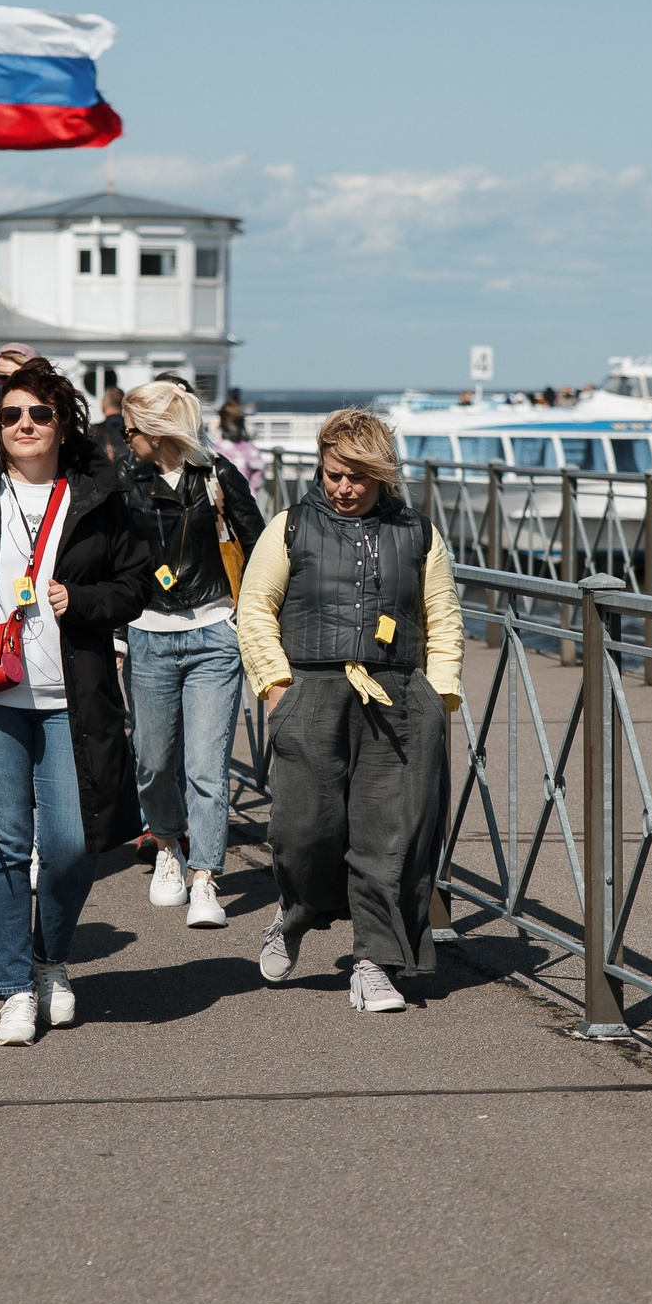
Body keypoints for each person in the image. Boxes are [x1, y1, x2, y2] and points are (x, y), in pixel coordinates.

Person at [0, 358, 150, 1046]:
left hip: (72, 696)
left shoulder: (98, 499)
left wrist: (87, 602)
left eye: (37, 414)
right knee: (2, 845)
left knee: (75, 843)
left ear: (61, 423)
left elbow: (134, 586)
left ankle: (50, 958)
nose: (23, 425)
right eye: (11, 414)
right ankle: (14, 986)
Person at [236, 409, 465, 1014]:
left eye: (359, 477)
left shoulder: (419, 533)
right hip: (310, 693)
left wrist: (438, 700)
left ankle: (373, 961)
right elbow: (255, 608)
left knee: (389, 838)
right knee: (304, 832)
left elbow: (443, 620)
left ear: (382, 475)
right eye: (335, 474)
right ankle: (297, 910)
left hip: (398, 703)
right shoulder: (288, 526)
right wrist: (278, 689)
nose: (344, 488)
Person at [120, 380, 265, 930]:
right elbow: (110, 554)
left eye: (131, 429)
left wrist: (242, 614)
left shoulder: (216, 473)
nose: (126, 438)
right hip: (148, 632)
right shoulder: (124, 480)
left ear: (156, 432)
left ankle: (205, 876)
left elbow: (259, 541)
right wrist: (116, 630)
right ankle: (166, 846)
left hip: (212, 632)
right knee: (153, 762)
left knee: (207, 766)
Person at [94, 386, 129, 471]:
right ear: (123, 405)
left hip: (104, 479)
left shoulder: (93, 431)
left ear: (103, 405)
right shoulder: (132, 430)